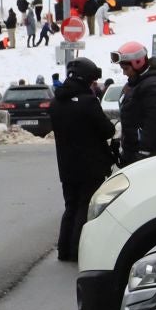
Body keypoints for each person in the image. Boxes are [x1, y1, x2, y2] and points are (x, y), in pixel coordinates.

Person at [50, 58, 118, 262]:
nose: (93, 85)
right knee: (84, 207)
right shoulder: (88, 102)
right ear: (86, 79)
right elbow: (107, 129)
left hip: (66, 165)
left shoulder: (56, 103)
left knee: (70, 206)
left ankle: (64, 250)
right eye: (92, 81)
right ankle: (77, 250)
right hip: (91, 165)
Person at [114, 41, 156, 166]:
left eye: (126, 68)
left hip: (154, 155)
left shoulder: (154, 86)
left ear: (138, 63)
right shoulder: (135, 82)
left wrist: (143, 153)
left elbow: (153, 124)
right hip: (138, 152)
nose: (124, 73)